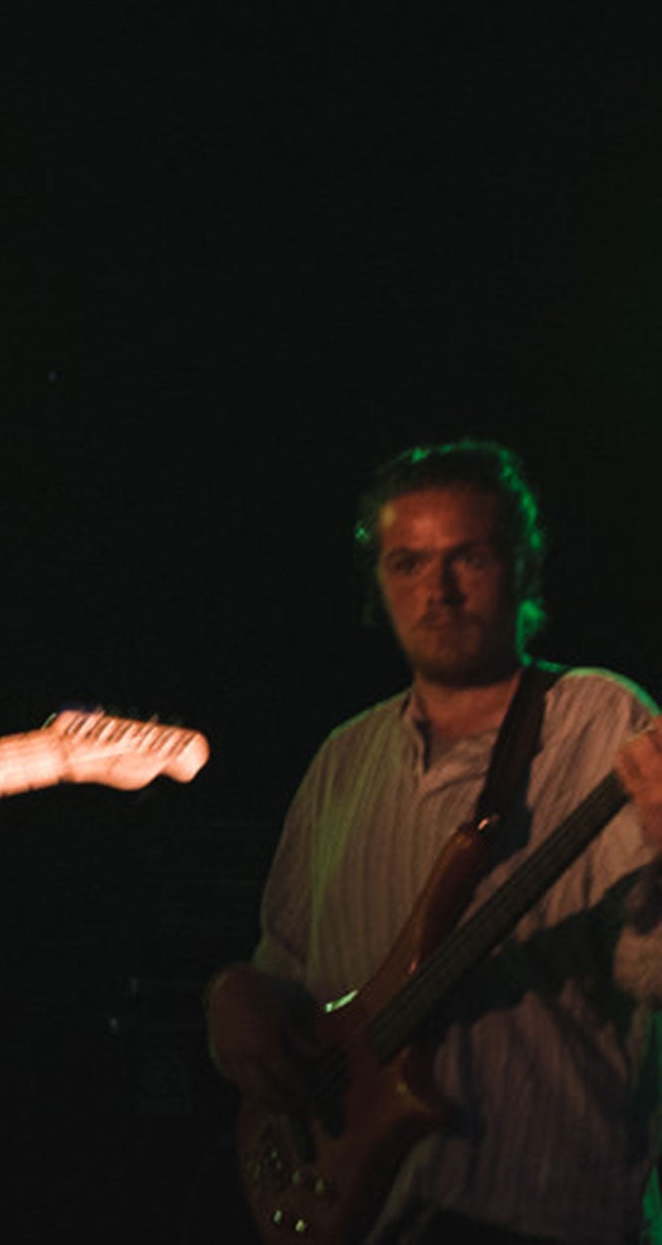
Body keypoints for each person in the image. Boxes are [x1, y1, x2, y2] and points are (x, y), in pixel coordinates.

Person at [206, 440, 662, 1243]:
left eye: (468, 559)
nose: (438, 591)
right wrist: (235, 997)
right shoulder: (342, 761)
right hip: (368, 1215)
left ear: (521, 567)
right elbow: (291, 973)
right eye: (407, 563)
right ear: (375, 585)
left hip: (549, 1212)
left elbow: (651, 974)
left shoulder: (601, 721)